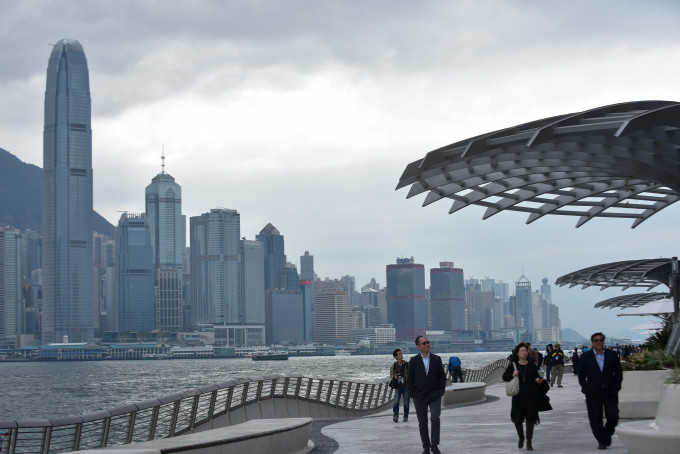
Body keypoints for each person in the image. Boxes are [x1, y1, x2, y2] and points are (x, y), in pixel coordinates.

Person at [578, 332, 623, 450]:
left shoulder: (612, 355)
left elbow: (618, 372)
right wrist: (585, 388)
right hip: (593, 391)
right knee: (595, 418)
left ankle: (606, 435)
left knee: (613, 416)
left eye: (601, 340)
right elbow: (581, 374)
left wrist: (616, 386)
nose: (599, 342)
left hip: (610, 391)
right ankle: (602, 441)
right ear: (592, 342)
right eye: (596, 340)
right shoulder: (586, 357)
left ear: (604, 341)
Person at [407, 335, 447, 454]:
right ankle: (426, 446)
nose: (427, 345)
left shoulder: (436, 359)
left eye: (428, 342)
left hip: (435, 395)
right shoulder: (413, 361)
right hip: (419, 396)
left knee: (435, 418)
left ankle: (434, 445)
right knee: (422, 422)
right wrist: (413, 393)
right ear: (418, 346)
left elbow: (442, 377)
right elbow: (410, 379)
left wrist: (441, 391)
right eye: (424, 343)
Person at [502, 342, 545, 451]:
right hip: (518, 396)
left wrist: (538, 380)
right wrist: (513, 374)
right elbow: (505, 377)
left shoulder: (531, 365)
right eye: (522, 351)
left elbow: (535, 376)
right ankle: (521, 437)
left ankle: (529, 442)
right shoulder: (513, 365)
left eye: (526, 351)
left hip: (531, 395)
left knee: (530, 419)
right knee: (517, 419)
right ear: (517, 353)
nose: (525, 353)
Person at [390, 348, 410, 422]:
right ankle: (395, 416)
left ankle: (406, 416)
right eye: (399, 354)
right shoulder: (394, 365)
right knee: (396, 401)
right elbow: (391, 374)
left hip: (406, 385)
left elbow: (411, 373)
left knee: (406, 402)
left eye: (401, 353)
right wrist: (394, 376)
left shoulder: (407, 364)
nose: (401, 354)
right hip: (398, 386)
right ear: (396, 357)